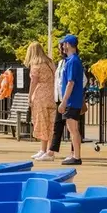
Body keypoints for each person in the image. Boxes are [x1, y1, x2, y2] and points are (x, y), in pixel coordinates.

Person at [23, 41, 57, 159]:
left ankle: (43, 149)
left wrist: (30, 96)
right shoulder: (50, 62)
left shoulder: (35, 64)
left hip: (40, 95)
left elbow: (34, 81)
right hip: (52, 94)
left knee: (41, 122)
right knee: (51, 123)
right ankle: (48, 150)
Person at [57, 34, 85, 165]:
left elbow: (70, 83)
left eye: (63, 44)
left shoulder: (73, 61)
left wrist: (63, 101)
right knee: (73, 128)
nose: (62, 46)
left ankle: (77, 156)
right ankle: (74, 154)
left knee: (72, 128)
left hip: (72, 100)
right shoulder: (72, 60)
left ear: (68, 44)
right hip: (73, 100)